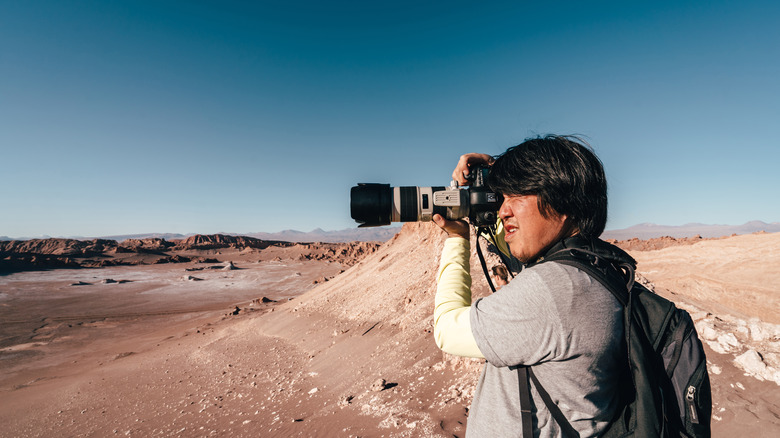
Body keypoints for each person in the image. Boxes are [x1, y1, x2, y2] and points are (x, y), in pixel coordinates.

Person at [432, 135, 623, 437]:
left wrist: (457, 238)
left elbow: (446, 329)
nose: (503, 210)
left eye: (516, 196)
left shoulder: (551, 290)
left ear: (563, 201)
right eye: (502, 197)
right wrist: (492, 173)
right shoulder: (594, 270)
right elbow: (518, 239)